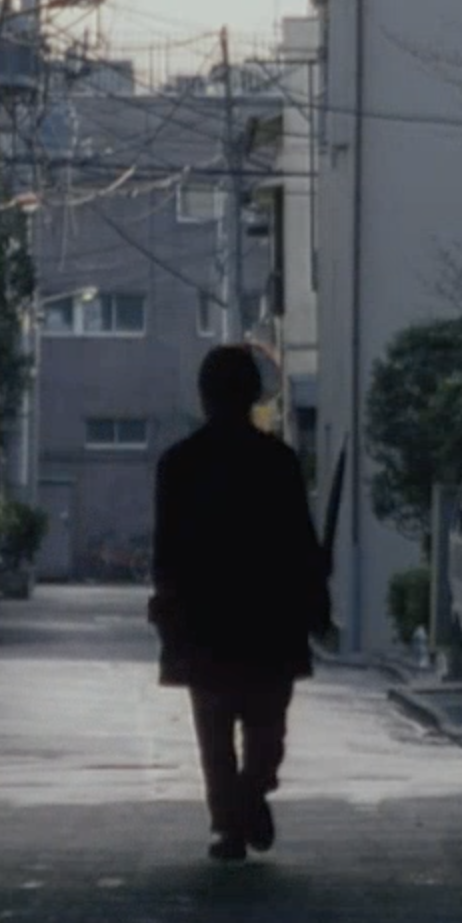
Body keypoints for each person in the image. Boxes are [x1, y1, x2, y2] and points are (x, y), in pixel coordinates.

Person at [148, 344, 332, 863]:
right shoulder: (278, 463)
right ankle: (246, 799)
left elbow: (166, 551)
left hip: (206, 618)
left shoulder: (179, 465)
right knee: (266, 727)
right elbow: (301, 545)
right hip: (269, 619)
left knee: (215, 728)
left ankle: (232, 816)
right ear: (254, 395)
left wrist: (167, 607)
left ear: (203, 396)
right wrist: (316, 601)